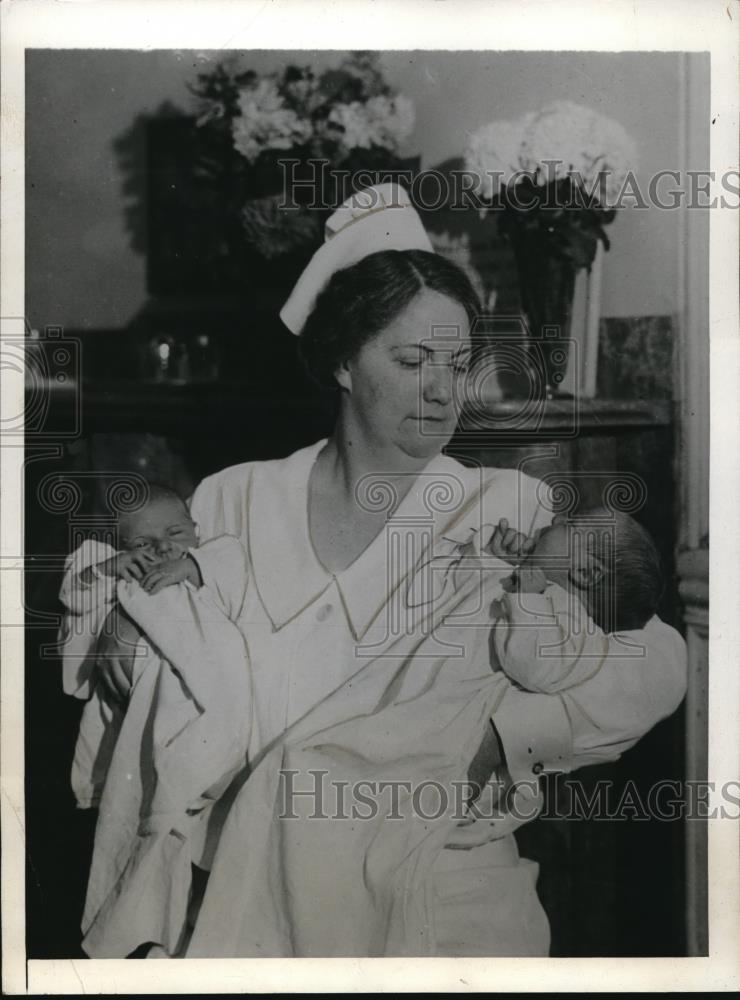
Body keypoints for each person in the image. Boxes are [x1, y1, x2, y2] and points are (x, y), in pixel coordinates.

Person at [93, 183, 688, 958]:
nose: (443, 390)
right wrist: (130, 607)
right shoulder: (236, 496)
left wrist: (501, 743)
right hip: (246, 893)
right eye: (411, 361)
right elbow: (153, 623)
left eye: (459, 363)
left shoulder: (504, 507)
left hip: (446, 895)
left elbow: (658, 660)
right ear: (342, 360)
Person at [58, 483, 253, 957]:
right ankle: (141, 937)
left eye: (175, 533)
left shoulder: (214, 558)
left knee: (195, 842)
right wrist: (109, 571)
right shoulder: (109, 570)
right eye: (142, 545)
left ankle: (165, 935)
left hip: (210, 703)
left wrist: (190, 567)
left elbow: (234, 570)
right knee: (141, 829)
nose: (162, 548)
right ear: (121, 548)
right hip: (144, 719)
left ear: (195, 530)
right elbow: (75, 592)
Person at [484, 507, 668, 694]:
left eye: (570, 524)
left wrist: (529, 601)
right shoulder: (542, 586)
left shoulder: (577, 632)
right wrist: (494, 558)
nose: (556, 519)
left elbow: (534, 669)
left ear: (585, 573)